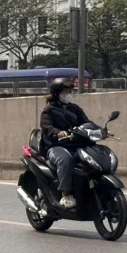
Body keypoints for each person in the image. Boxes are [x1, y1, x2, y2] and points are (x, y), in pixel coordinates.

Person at [40, 78, 90, 210]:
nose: (68, 95)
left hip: (75, 145)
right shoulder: (49, 110)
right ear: (56, 94)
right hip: (56, 146)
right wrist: (58, 132)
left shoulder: (75, 109)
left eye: (69, 92)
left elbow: (86, 123)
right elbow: (46, 127)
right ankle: (66, 194)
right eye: (65, 92)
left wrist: (102, 130)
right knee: (65, 160)